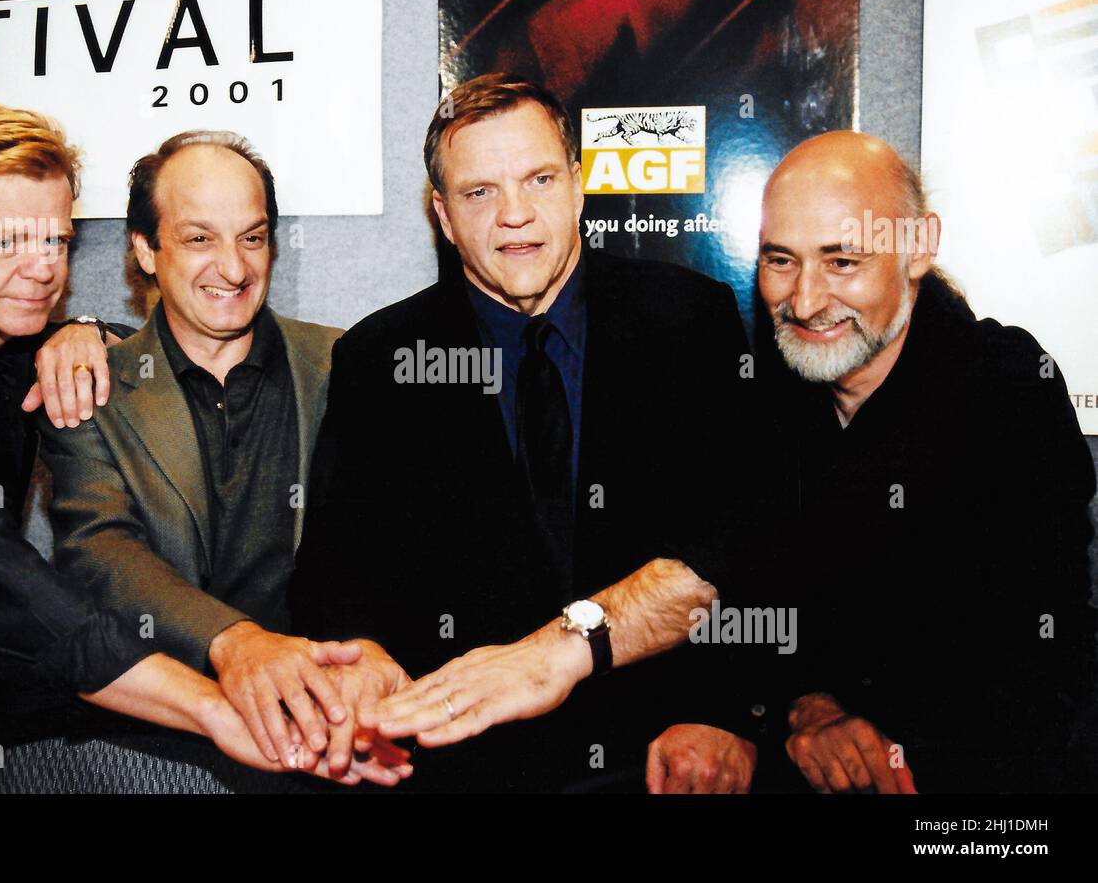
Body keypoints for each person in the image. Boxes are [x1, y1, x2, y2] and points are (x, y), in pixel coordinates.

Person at [0, 105, 361, 793]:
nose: (42, 271)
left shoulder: (2, 331)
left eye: (56, 240)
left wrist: (87, 327)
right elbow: (21, 597)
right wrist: (220, 706)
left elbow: (138, 338)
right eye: (8, 240)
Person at [290, 74, 761, 792]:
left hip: (659, 755)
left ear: (577, 185)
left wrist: (724, 713)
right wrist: (366, 670)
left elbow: (743, 542)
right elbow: (337, 579)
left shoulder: (689, 320)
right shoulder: (381, 358)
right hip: (460, 765)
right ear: (444, 217)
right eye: (480, 192)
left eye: (538, 178)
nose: (515, 214)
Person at [647, 130, 1095, 794]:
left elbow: (1026, 654)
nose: (804, 300)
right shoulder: (761, 397)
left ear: (918, 247)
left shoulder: (1005, 386)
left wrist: (860, 724)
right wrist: (796, 706)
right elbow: (738, 602)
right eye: (780, 260)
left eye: (841, 261)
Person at [32, 131, 411, 791]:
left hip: (328, 728)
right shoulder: (89, 386)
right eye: (199, 238)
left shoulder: (345, 363)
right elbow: (100, 553)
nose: (233, 269)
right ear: (145, 250)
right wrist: (237, 642)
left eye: (252, 237)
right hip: (157, 743)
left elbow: (387, 540)